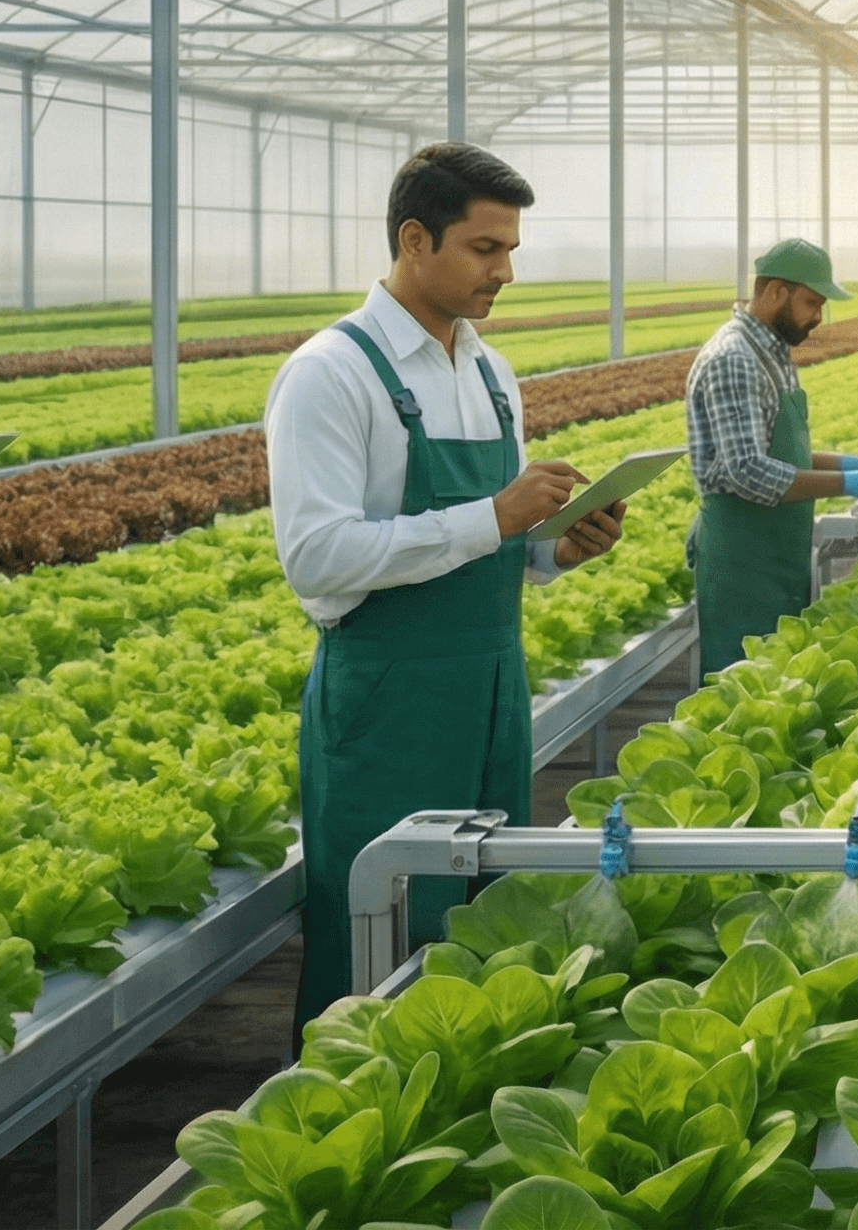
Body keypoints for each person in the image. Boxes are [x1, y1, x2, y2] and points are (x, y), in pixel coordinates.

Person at [267, 142, 626, 1022]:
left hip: (493, 691)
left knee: (481, 926)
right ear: (415, 239)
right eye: (486, 248)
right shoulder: (331, 373)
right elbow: (315, 557)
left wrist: (551, 550)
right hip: (390, 705)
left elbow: (490, 544)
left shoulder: (489, 371)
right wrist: (493, 519)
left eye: (510, 250)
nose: (506, 271)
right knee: (377, 942)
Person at [685, 238, 858, 678]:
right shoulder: (735, 359)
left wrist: (844, 463)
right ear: (773, 292)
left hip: (776, 555)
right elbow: (748, 471)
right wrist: (846, 484)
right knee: (739, 692)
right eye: (810, 302)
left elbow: (784, 450)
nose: (818, 317)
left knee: (775, 688)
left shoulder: (773, 354)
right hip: (743, 563)